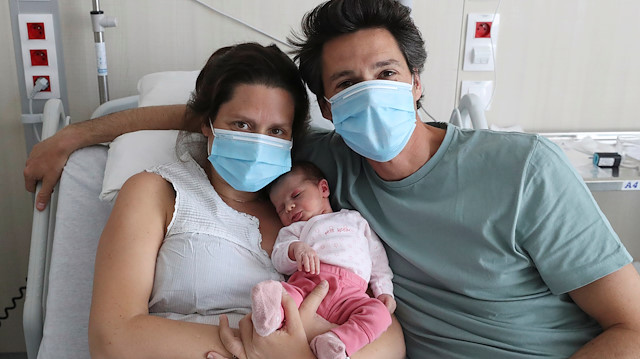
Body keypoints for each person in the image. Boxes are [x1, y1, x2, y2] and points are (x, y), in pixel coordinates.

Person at [24, 0, 640, 358]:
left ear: (418, 83)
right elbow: (234, 117)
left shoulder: (523, 168)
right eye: (347, 85)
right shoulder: (321, 169)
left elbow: (631, 327)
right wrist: (78, 135)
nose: (371, 97)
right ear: (328, 106)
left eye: (387, 73)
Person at [86, 42, 405, 359]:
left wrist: (294, 355)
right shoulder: (157, 191)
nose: (258, 143)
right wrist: (263, 352)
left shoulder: (302, 214)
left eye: (277, 131)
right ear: (207, 123)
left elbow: (384, 333)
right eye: (242, 125)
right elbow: (112, 337)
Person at [250, 161, 395, 359]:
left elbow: (378, 259)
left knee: (380, 314)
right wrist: (295, 249)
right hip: (308, 283)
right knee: (286, 295)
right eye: (281, 209)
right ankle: (271, 316)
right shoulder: (295, 230)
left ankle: (336, 342)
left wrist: (384, 291)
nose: (290, 207)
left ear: (323, 189)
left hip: (351, 295)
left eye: (296, 195)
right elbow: (278, 258)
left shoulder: (355, 220)